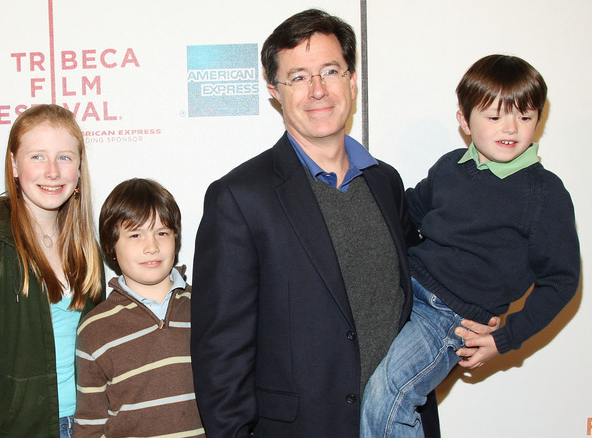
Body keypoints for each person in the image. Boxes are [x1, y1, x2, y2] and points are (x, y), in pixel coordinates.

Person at [190, 9, 499, 437]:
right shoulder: (239, 198)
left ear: (352, 81)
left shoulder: (386, 183)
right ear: (275, 92)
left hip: (400, 423)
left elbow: (428, 283)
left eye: (330, 71)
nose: (317, 89)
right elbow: (220, 354)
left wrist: (482, 311)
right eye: (298, 76)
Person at [361, 54, 581, 437]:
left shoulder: (544, 194)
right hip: (405, 289)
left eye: (525, 117)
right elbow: (408, 212)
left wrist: (505, 338)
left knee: (390, 396)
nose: (510, 127)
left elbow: (561, 281)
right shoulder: (450, 166)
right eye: (494, 117)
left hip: (450, 320)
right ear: (464, 120)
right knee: (347, 367)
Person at [0, 104, 104, 438]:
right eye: (37, 157)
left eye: (64, 157)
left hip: (92, 424)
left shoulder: (87, 249)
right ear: (14, 164)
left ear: (78, 168)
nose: (52, 172)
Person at [73, 178, 205, 437]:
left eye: (162, 233)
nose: (152, 247)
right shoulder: (94, 330)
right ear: (111, 245)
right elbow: (90, 423)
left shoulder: (207, 308)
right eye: (135, 234)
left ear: (176, 239)